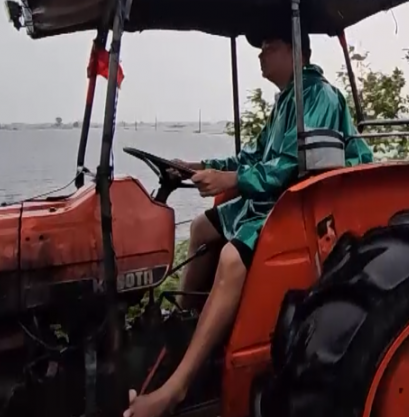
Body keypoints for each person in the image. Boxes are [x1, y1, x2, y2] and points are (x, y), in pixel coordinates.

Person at [124, 28, 373, 417]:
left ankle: (177, 386)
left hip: (307, 202)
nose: (260, 55)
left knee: (230, 258)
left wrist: (235, 181)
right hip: (273, 198)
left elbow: (294, 166)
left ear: (294, 51)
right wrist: (203, 168)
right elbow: (254, 157)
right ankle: (184, 329)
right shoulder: (285, 102)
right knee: (201, 228)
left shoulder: (319, 97)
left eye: (268, 46)